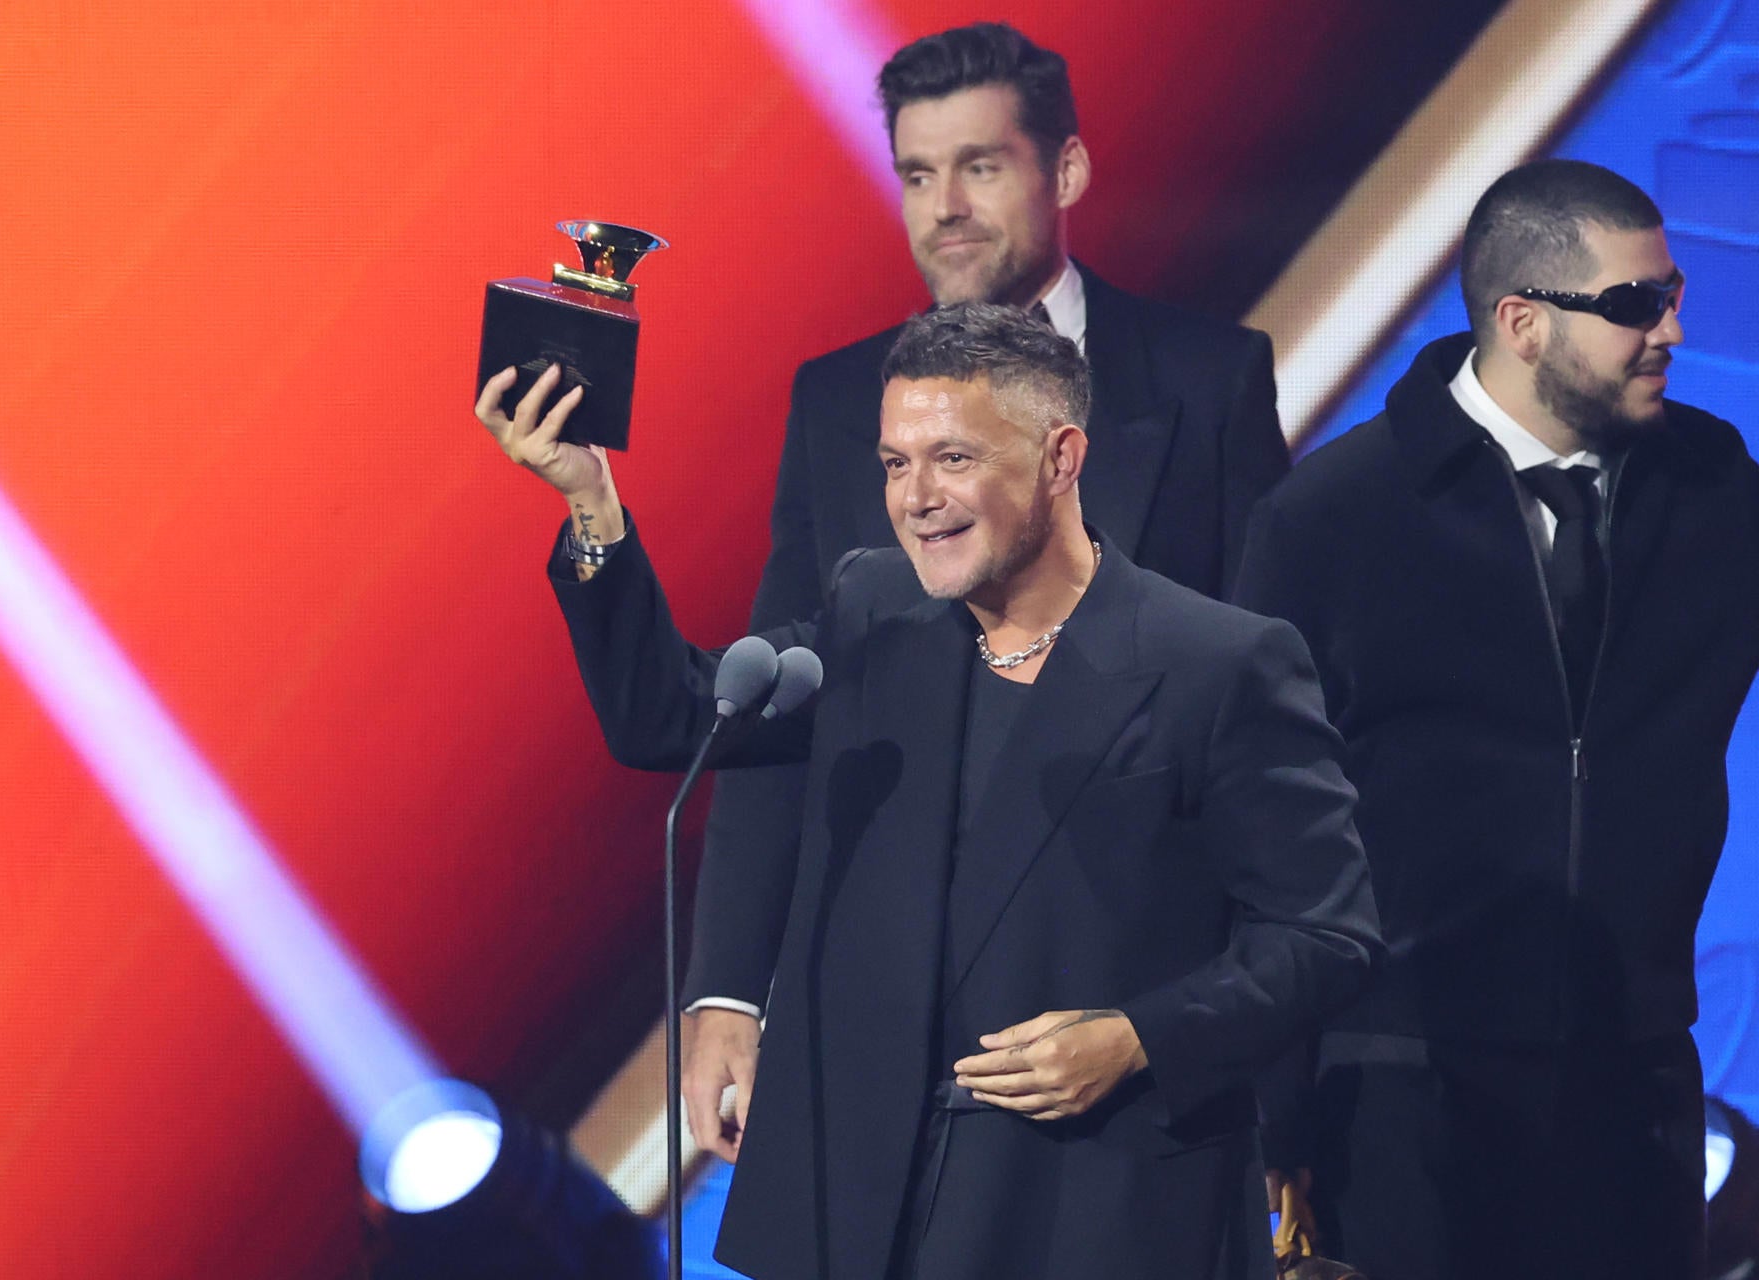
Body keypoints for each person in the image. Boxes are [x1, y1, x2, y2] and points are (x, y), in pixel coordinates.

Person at [478, 302, 1378, 1280]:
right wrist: (590, 501)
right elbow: (676, 713)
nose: (915, 497)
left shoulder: (1219, 663)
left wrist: (1135, 1037)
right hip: (863, 1208)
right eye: (895, 464)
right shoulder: (876, 611)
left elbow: (1325, 935)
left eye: (951, 458)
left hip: (1085, 1209)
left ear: (1061, 457)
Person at [684, 21, 1291, 1166]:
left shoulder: (1207, 381)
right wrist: (727, 991)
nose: (945, 206)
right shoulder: (836, 405)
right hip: (898, 1026)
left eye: (981, 165)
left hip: (1132, 1020)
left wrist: (1257, 1048)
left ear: (1063, 172)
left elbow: (1276, 732)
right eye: (918, 173)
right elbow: (770, 717)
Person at [1235, 159, 1759, 1279]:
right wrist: (1275, 1112)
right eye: (1633, 305)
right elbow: (1254, 832)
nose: (1669, 327)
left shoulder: (1716, 488)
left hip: (1640, 1082)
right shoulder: (1333, 519)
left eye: (1670, 294)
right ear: (1521, 321)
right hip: (1399, 1084)